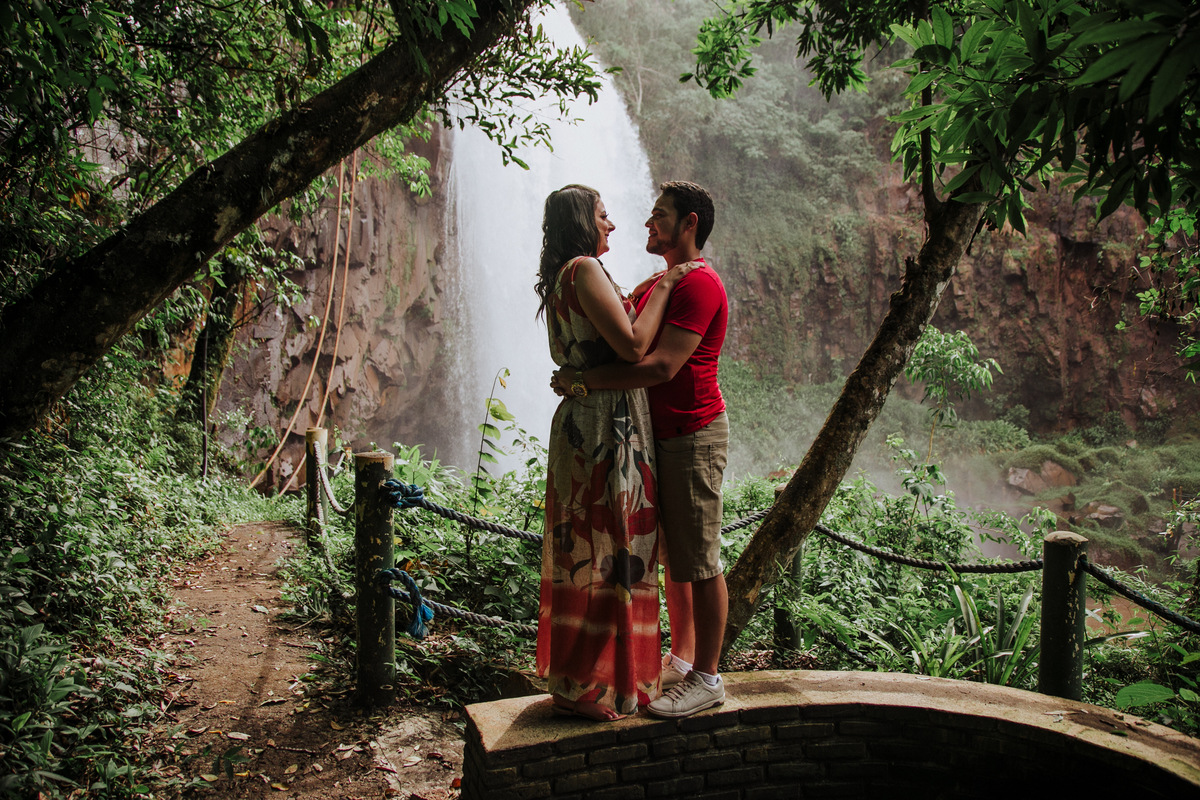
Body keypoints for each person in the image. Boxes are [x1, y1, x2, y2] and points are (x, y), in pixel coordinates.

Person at [552, 181, 728, 719]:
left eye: (660, 216)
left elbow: (659, 365)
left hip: (692, 433)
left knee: (700, 558)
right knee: (672, 554)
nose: (644, 225)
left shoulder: (697, 284)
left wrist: (582, 381)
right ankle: (683, 658)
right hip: (653, 436)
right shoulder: (657, 284)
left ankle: (708, 678)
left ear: (690, 223)